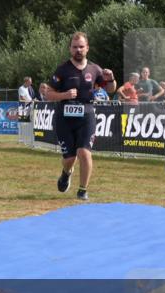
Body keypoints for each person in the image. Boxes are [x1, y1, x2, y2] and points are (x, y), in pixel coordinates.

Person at [46, 32, 117, 201]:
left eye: (81, 47)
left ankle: (83, 190)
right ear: (70, 49)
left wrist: (111, 78)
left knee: (85, 152)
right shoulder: (62, 69)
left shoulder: (95, 69)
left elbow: (111, 89)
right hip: (64, 117)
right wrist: (64, 95)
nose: (78, 50)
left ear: (87, 48)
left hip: (86, 115)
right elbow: (49, 94)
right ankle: (66, 173)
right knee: (70, 158)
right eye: (75, 47)